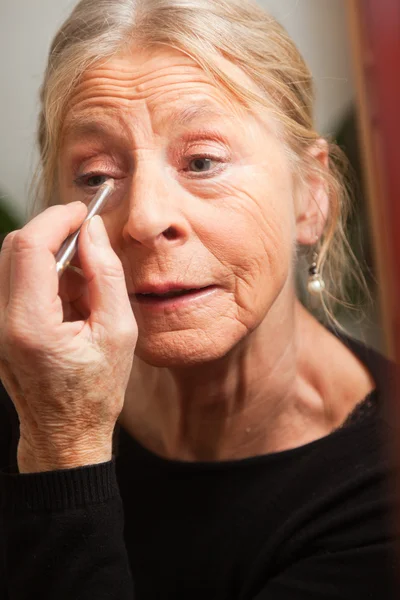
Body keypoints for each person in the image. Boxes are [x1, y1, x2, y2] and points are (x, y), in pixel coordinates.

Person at [0, 0, 399, 598]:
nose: (144, 219)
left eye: (202, 161)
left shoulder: (381, 494)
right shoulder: (28, 384)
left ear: (310, 198)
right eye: (97, 176)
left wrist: (65, 449)